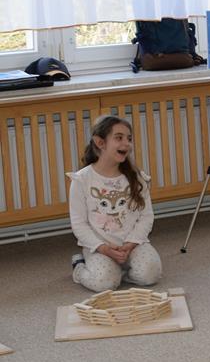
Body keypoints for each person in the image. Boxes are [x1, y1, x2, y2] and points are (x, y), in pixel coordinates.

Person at [68, 115, 162, 292]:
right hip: (99, 246)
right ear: (100, 142)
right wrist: (103, 248)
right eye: (119, 138)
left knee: (151, 274)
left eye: (129, 138)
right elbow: (79, 224)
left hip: (133, 244)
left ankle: (119, 272)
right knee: (104, 284)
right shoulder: (81, 180)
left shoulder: (137, 178)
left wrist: (131, 243)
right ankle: (80, 268)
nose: (126, 144)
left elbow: (146, 216)